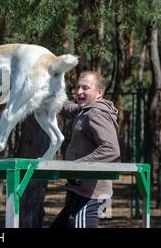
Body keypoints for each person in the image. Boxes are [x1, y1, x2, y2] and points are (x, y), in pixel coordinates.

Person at [50, 71, 121, 228]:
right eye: (78, 87)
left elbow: (111, 149)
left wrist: (77, 167)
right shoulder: (86, 111)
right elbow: (70, 108)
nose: (79, 92)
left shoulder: (96, 114)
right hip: (80, 191)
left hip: (90, 196)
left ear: (99, 93)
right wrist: (50, 96)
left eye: (86, 88)